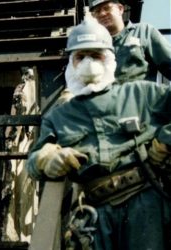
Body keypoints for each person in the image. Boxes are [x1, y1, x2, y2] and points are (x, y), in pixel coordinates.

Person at [27, 16, 171, 249]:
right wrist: (46, 159)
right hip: (94, 215)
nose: (88, 63)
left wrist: (165, 141)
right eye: (81, 56)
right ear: (72, 63)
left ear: (110, 58)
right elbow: (33, 161)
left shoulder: (141, 95)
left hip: (145, 203)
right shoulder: (59, 116)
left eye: (96, 55)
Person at [88, 0, 171, 83]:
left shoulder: (143, 32)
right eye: (97, 11)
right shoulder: (94, 47)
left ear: (120, 9)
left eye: (107, 8)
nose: (102, 14)